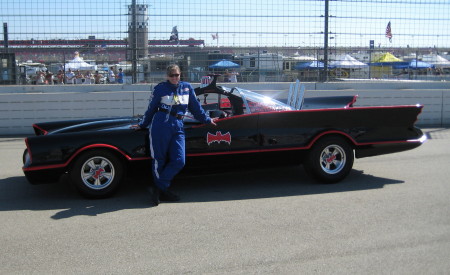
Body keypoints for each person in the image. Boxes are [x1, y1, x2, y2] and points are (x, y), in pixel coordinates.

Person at [131, 64, 217, 206]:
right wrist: (142, 124)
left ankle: (158, 188)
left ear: (180, 74)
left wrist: (207, 119)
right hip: (160, 125)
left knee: (179, 160)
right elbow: (151, 108)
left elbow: (196, 108)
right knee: (159, 159)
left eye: (176, 75)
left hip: (178, 126)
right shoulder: (160, 88)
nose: (174, 78)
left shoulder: (187, 87)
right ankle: (163, 191)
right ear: (167, 76)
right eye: (171, 75)